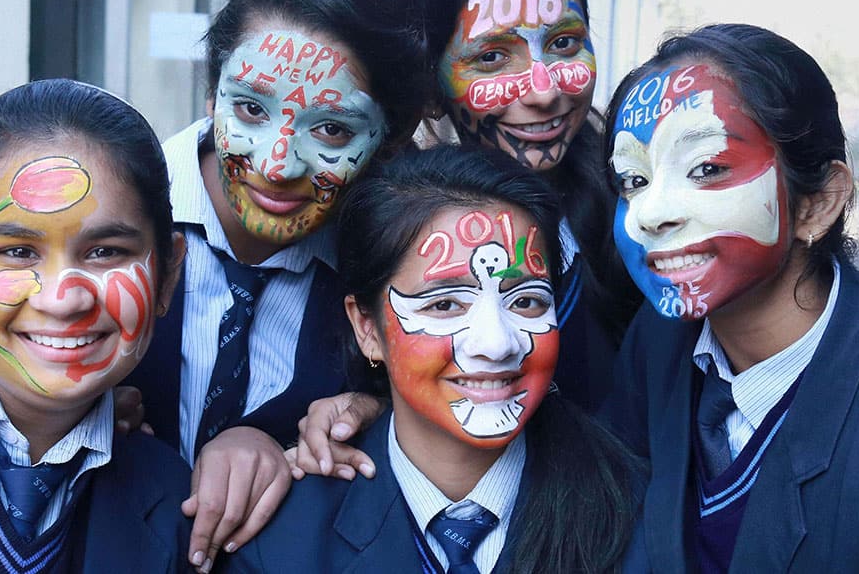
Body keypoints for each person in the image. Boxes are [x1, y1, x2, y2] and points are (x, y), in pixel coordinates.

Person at [0, 0, 425, 570]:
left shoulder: (393, 275)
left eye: (334, 129)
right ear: (213, 89)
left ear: (391, 141)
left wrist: (374, 414)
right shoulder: (79, 195)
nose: (276, 163)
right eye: (251, 108)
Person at [291, 0, 641, 483]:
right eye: (492, 57)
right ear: (430, 90)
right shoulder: (381, 226)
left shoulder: (645, 221)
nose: (543, 89)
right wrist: (373, 408)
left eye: (565, 43)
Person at [233, 143, 643, 573]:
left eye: (525, 301)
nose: (497, 343)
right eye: (445, 305)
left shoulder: (638, 515)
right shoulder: (281, 542)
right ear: (367, 328)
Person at [601, 23, 859, 571]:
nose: (649, 213)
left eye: (707, 169)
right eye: (634, 182)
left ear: (819, 203)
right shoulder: (657, 336)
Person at [0, 79, 191, 572]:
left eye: (106, 252)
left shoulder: (176, 502)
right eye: (18, 252)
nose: (63, 299)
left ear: (167, 276)